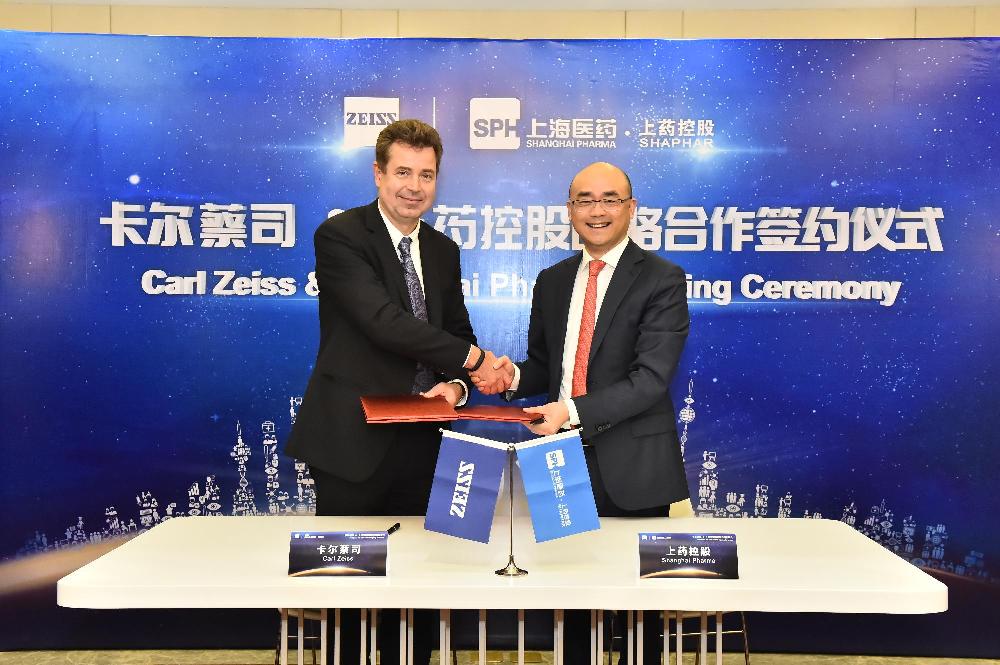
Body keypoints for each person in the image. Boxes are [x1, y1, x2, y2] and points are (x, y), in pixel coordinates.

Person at [286, 118, 507, 664]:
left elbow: (456, 331)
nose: (414, 186)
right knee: (344, 587)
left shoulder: (443, 250)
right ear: (378, 174)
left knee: (421, 582)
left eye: (426, 175)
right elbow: (382, 322)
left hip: (423, 442)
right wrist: (477, 362)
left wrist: (457, 385)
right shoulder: (341, 236)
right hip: (352, 441)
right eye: (403, 172)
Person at [482, 161, 691, 663]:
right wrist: (512, 378)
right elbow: (545, 366)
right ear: (570, 209)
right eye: (585, 200)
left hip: (634, 464)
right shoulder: (552, 281)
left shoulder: (662, 279)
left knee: (638, 613)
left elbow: (650, 379)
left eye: (610, 199)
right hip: (561, 462)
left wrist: (570, 410)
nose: (597, 210)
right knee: (572, 599)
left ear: (631, 208)